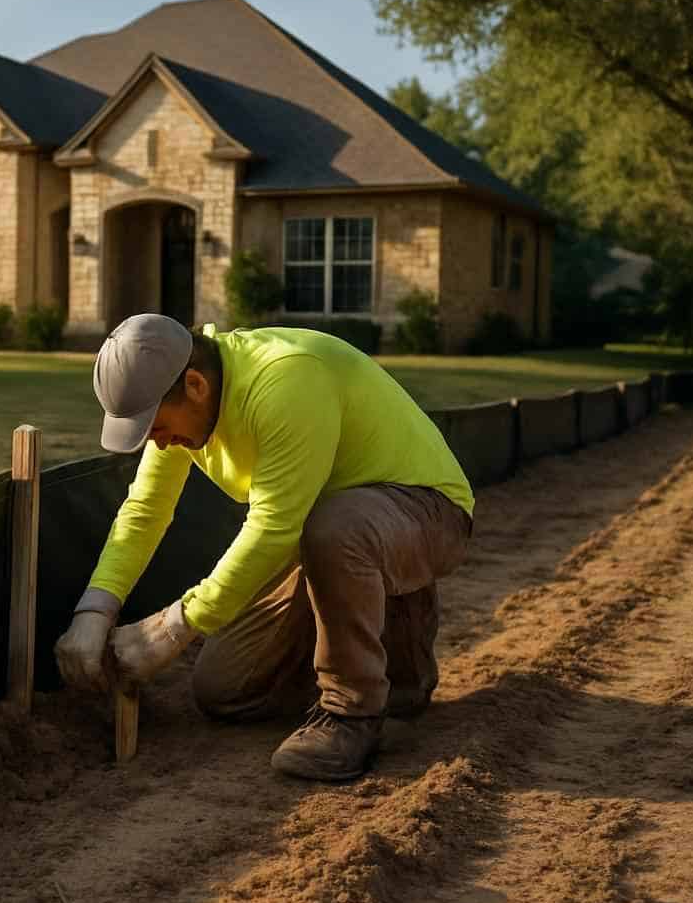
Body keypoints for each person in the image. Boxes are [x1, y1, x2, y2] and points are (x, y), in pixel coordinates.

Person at [54, 314, 473, 781]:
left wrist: (173, 627)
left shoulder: (286, 379)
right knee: (225, 690)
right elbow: (144, 511)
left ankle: (354, 708)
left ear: (194, 385)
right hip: (318, 528)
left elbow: (274, 527)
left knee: (334, 529)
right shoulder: (179, 402)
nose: (157, 441)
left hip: (424, 512)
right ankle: (358, 637)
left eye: (154, 426)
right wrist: (94, 612)